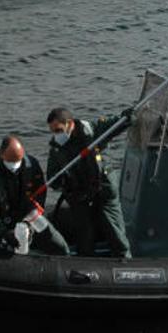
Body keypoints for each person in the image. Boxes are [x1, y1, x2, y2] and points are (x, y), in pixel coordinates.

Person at [46, 108, 132, 258]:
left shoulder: (92, 131)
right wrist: (61, 182)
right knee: (83, 231)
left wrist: (128, 117)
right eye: (53, 131)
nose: (57, 135)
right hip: (79, 191)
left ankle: (124, 258)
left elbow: (117, 124)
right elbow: (52, 176)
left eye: (59, 130)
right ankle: (86, 259)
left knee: (113, 227)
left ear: (70, 123)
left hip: (102, 186)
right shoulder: (56, 148)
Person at [0, 135, 69, 254]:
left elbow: (40, 193)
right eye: (11, 161)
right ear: (1, 154)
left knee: (58, 244)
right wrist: (4, 232)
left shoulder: (31, 165)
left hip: (27, 214)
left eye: (18, 160)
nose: (15, 165)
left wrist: (28, 222)